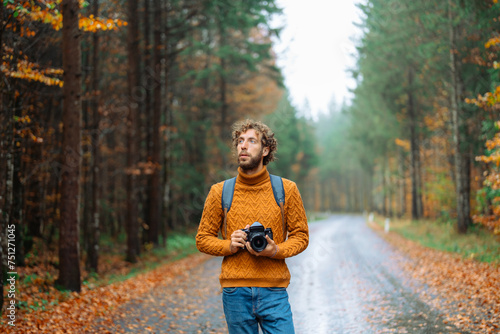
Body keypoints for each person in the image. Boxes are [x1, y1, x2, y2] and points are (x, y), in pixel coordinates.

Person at [196, 119, 309, 334]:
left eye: (251, 141)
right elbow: (202, 239)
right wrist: (229, 245)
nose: (243, 146)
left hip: (274, 289)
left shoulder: (286, 190)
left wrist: (274, 250)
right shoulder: (219, 192)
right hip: (235, 291)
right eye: (239, 141)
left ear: (266, 149)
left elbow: (301, 236)